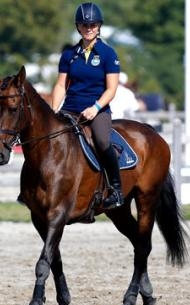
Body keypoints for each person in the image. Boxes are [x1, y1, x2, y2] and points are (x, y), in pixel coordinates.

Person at [51, 2, 123, 209]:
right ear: (78, 27)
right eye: (84, 25)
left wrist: (95, 108)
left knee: (101, 141)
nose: (89, 28)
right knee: (49, 139)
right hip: (70, 108)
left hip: (97, 109)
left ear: (99, 26)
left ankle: (116, 189)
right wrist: (54, 109)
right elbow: (60, 85)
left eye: (93, 24)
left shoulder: (109, 54)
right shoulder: (68, 55)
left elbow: (111, 89)